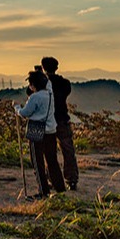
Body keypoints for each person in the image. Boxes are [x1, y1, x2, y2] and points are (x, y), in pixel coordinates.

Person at [16, 69, 66, 198]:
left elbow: (24, 113)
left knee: (37, 162)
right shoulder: (50, 93)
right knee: (52, 160)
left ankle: (43, 192)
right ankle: (60, 188)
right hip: (50, 129)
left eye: (30, 84)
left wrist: (16, 107)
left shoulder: (35, 97)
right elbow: (47, 82)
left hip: (36, 128)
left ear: (33, 85)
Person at [42, 56, 79, 190]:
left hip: (48, 122)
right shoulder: (64, 83)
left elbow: (30, 92)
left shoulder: (43, 83)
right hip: (63, 119)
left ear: (43, 67)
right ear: (57, 68)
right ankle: (72, 179)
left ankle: (51, 179)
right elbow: (66, 92)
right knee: (68, 150)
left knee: (49, 152)